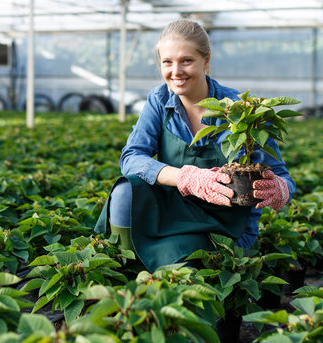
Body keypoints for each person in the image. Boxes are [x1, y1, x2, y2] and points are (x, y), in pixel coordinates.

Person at [94, 19, 296, 272]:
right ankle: (126, 269)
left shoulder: (242, 110)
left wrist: (280, 190)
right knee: (125, 192)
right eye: (167, 62)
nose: (175, 71)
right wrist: (186, 178)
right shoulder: (159, 100)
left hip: (222, 223)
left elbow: (282, 176)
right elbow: (132, 158)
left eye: (186, 61)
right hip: (172, 209)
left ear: (206, 61)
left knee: (184, 268)